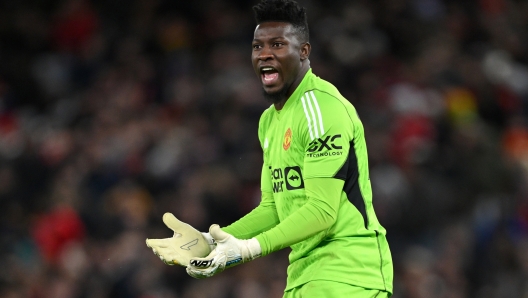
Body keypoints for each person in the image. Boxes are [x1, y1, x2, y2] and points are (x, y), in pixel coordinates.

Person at [148, 0, 393, 296]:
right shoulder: (269, 121)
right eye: (257, 46)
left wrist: (248, 249)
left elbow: (323, 211)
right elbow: (274, 208)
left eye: (277, 45)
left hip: (349, 274)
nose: (264, 54)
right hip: (304, 277)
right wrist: (213, 241)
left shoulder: (322, 109)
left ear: (303, 51)